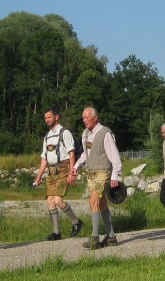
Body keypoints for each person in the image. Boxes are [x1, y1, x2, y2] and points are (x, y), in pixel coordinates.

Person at [68, 107, 123, 249]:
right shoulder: (86, 134)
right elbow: (86, 155)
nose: (84, 120)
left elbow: (114, 155)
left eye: (87, 117)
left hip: (103, 172)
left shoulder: (105, 133)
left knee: (93, 200)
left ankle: (94, 237)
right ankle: (111, 237)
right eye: (83, 118)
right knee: (102, 203)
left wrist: (115, 174)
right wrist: (76, 167)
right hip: (91, 172)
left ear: (95, 117)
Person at [33, 108, 83, 241]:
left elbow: (71, 153)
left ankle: (76, 221)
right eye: (45, 118)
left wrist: (72, 172)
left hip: (63, 169)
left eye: (49, 117)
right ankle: (56, 232)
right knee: (50, 200)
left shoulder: (64, 133)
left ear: (56, 117)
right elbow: (44, 158)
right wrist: (38, 177)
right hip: (51, 170)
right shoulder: (47, 136)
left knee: (58, 201)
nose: (47, 120)